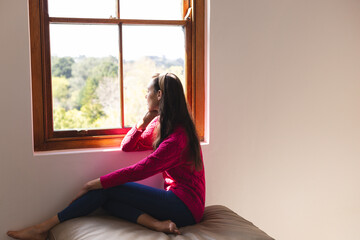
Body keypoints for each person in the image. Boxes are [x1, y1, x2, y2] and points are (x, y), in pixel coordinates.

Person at [7, 73, 205, 240]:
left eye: (148, 92)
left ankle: (43, 227)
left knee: (105, 190)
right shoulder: (162, 125)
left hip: (185, 207)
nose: (145, 95)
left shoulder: (178, 138)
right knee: (107, 201)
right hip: (177, 200)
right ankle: (156, 225)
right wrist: (142, 123)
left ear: (160, 95)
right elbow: (127, 146)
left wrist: (95, 183)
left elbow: (141, 170)